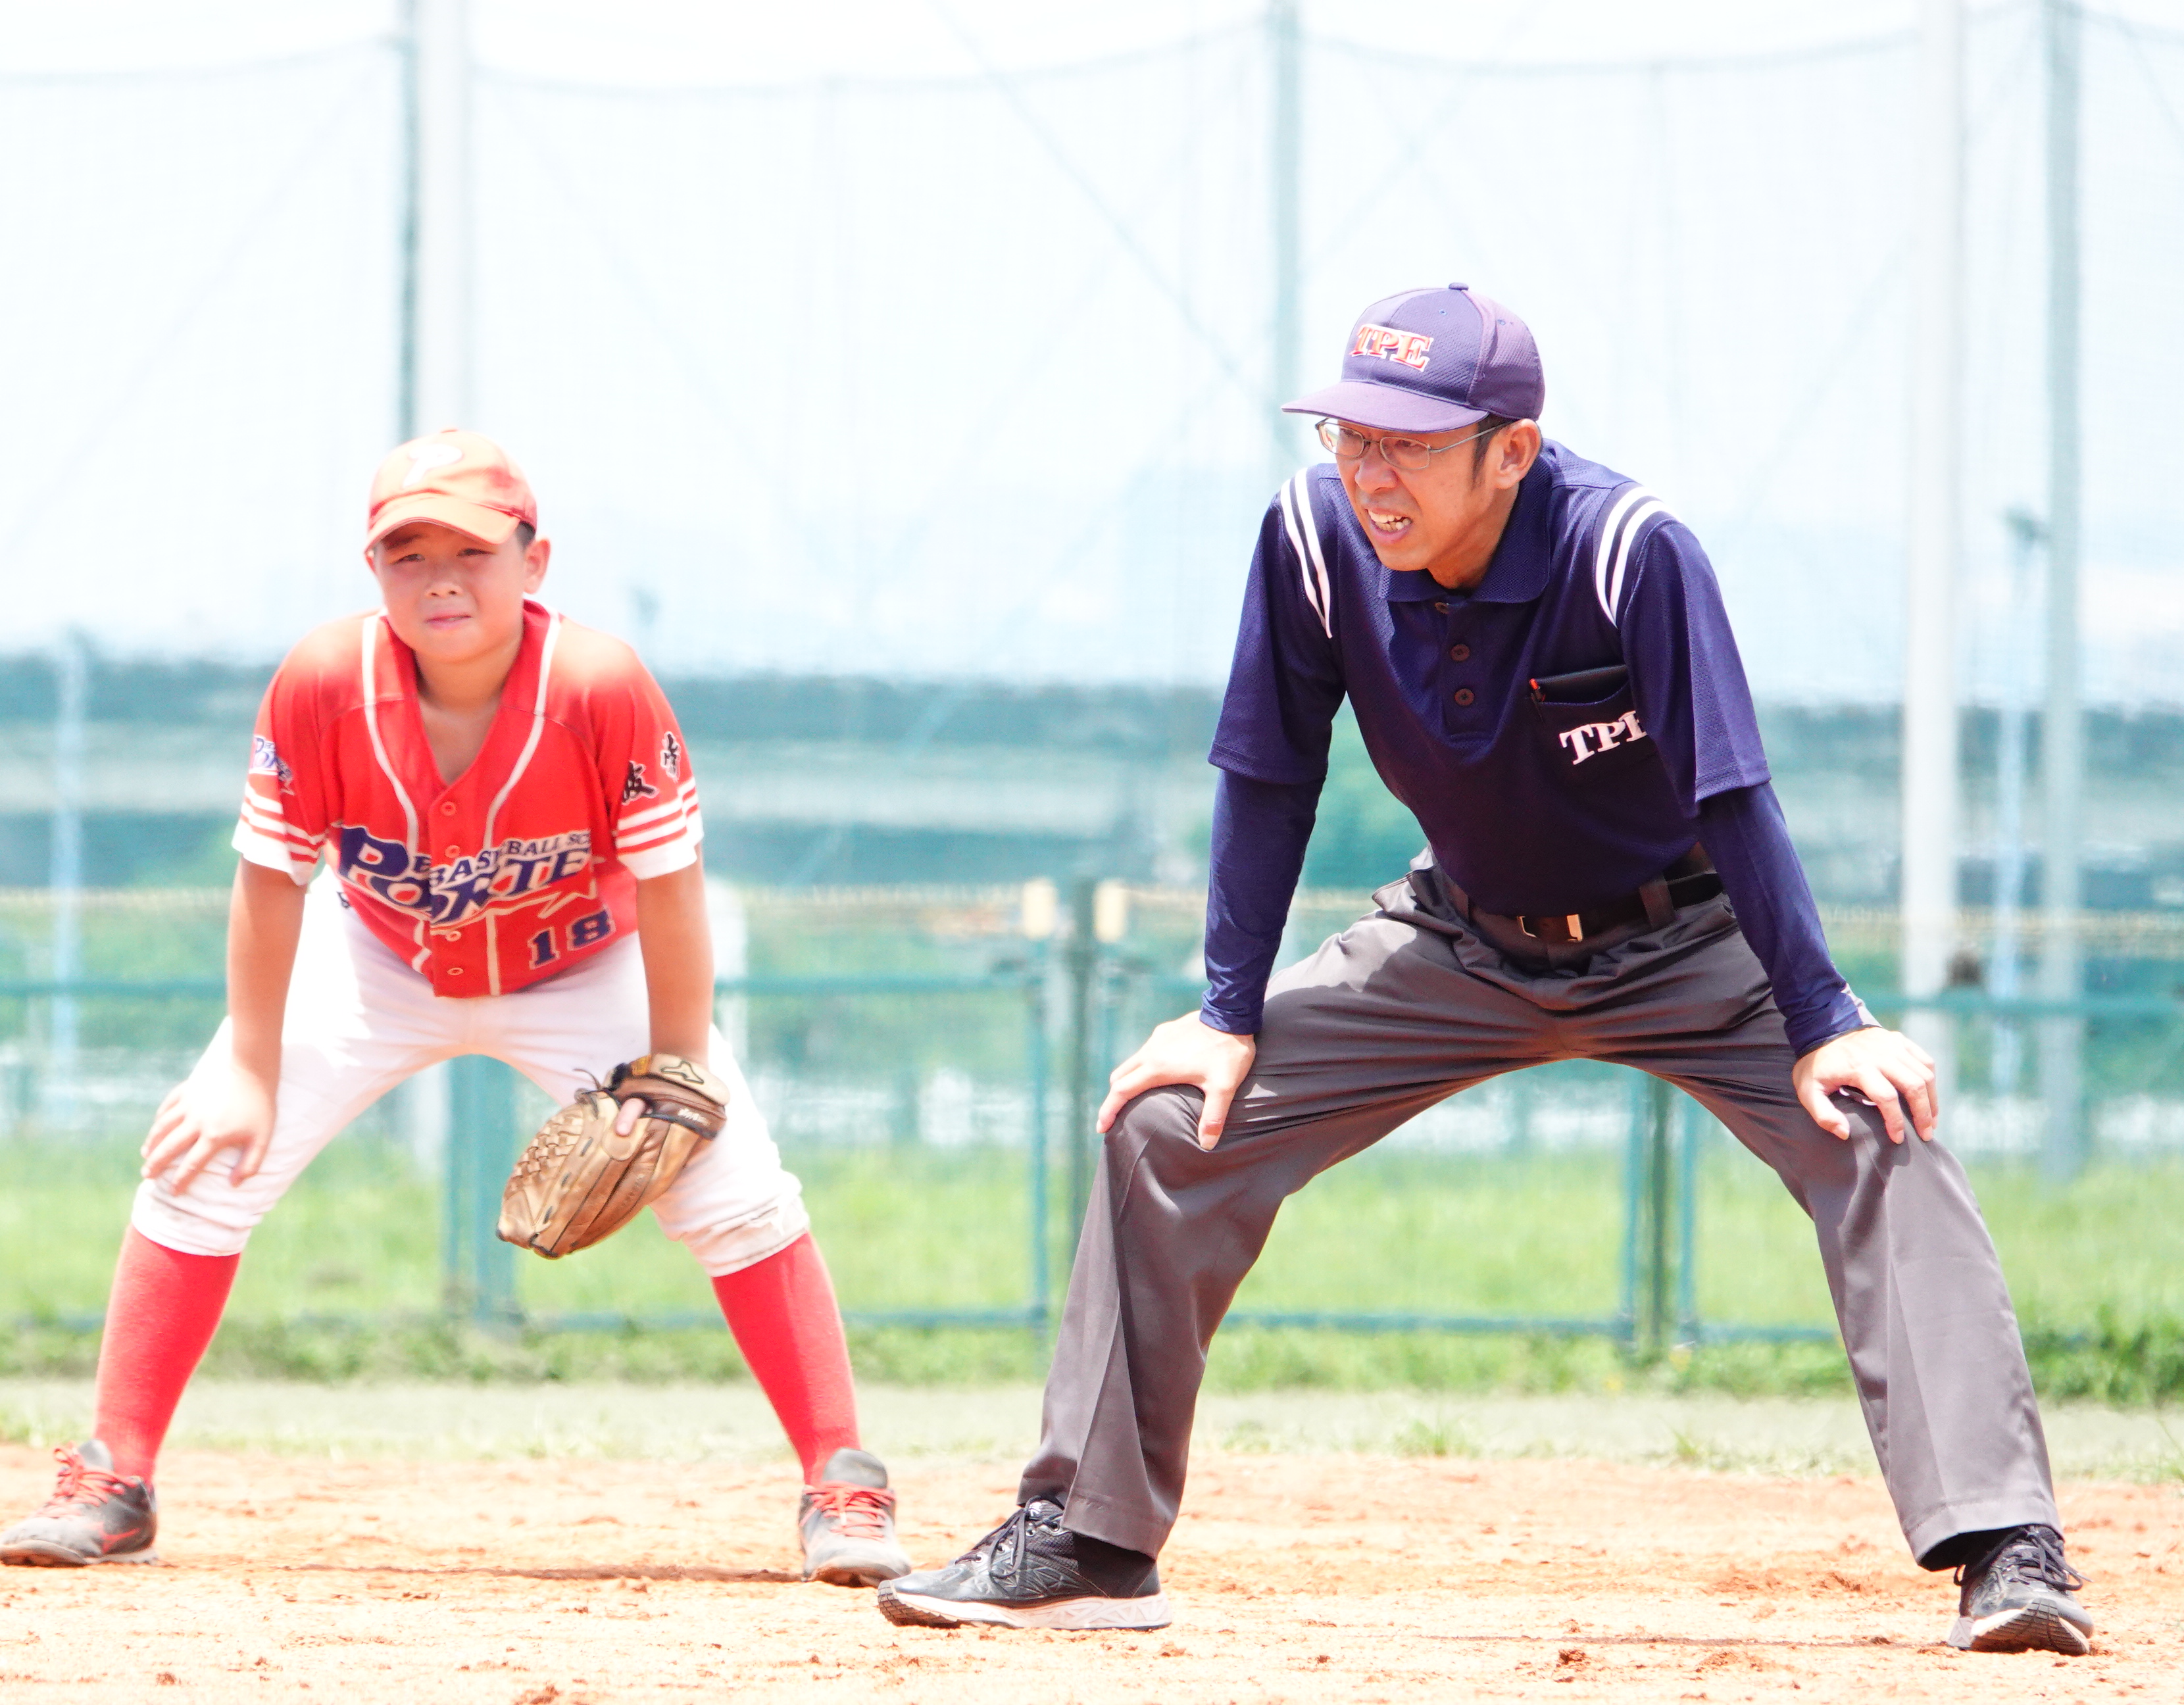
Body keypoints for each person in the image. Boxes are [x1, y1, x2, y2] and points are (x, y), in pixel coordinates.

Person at [878, 285, 2091, 1655]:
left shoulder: (1627, 549)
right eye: (1352, 435)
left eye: (1407, 444)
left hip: (1689, 941)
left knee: (1878, 1121)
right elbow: (1269, 772)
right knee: (1166, 1121)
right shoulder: (1314, 537)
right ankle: (1092, 1538)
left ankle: (2008, 1546)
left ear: (1510, 451)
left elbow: (1731, 790)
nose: (1369, 472)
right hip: (1458, 938)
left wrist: (1824, 1017)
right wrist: (1223, 1010)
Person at [0, 430, 911, 1589]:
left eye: (472, 551)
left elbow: (673, 889)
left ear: (535, 561)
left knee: (737, 1194)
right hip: (378, 958)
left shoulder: (599, 685)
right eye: (409, 552)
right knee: (204, 1158)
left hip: (587, 965)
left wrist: (677, 1070)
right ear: (374, 571)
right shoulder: (323, 682)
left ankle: (842, 1480)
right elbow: (271, 879)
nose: (440, 577)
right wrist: (251, 1070)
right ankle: (114, 1477)